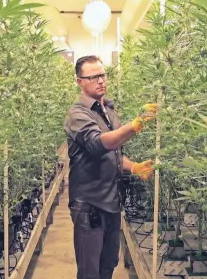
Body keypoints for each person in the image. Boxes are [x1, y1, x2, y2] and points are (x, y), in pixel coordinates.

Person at [64, 55, 157, 279]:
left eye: (103, 75)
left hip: (111, 203)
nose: (101, 81)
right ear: (80, 82)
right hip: (89, 205)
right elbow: (99, 144)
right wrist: (135, 125)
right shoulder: (77, 114)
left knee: (108, 264)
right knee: (90, 271)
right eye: (93, 76)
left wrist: (133, 167)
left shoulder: (108, 111)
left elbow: (113, 154)